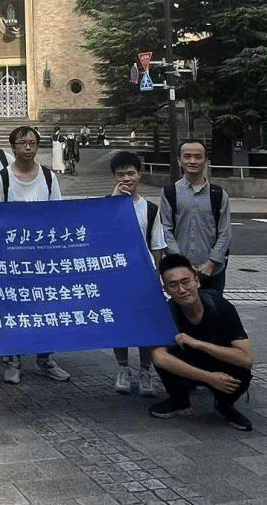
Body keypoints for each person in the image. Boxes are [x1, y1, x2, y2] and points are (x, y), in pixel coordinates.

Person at [0, 125, 69, 385]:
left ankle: (45, 358)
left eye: (32, 143)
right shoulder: (3, 177)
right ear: (13, 147)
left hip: (44, 256)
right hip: (14, 256)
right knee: (15, 307)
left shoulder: (48, 176)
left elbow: (58, 213)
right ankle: (13, 360)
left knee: (45, 306)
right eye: (22, 143)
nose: (28, 147)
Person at [149, 254, 253, 431]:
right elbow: (159, 357)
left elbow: (246, 359)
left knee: (241, 371)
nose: (181, 289)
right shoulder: (165, 313)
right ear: (166, 290)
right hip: (191, 364)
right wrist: (209, 378)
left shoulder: (221, 307)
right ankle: (179, 400)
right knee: (163, 355)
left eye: (185, 282)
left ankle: (224, 404)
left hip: (218, 361)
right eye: (173, 285)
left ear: (196, 281)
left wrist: (199, 344)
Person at [107, 151, 166, 398]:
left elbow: (157, 246)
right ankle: (123, 369)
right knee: (118, 325)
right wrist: (113, 202)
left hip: (144, 277)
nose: (126, 179)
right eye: (120, 174)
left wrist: (156, 276)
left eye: (130, 173)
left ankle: (145, 371)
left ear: (139, 175)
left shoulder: (150, 209)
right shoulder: (106, 205)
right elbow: (101, 236)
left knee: (146, 327)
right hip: (116, 276)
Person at [160, 139, 232, 292]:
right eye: (187, 156)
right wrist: (181, 263)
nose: (192, 161)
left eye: (198, 157)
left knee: (212, 306)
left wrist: (211, 262)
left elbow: (225, 232)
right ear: (179, 161)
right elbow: (166, 229)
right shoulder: (169, 192)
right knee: (182, 307)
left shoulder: (218, 194)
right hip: (180, 272)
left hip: (212, 272)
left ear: (206, 161)